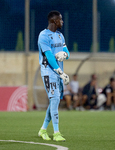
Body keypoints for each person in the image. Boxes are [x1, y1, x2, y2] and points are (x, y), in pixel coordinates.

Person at [37, 10, 70, 142]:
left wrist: (65, 55)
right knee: (55, 99)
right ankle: (56, 133)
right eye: (60, 19)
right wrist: (61, 73)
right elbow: (49, 56)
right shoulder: (43, 36)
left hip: (58, 73)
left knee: (54, 101)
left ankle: (43, 129)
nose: (62, 21)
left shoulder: (60, 36)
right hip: (48, 72)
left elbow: (66, 51)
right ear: (54, 21)